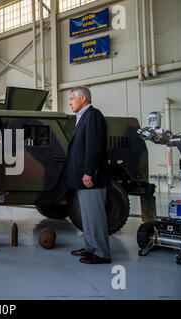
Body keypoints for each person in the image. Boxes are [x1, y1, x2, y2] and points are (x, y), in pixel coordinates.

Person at [67, 86, 111, 264]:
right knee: (87, 216)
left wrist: (89, 172)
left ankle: (101, 253)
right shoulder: (83, 117)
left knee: (95, 216)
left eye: (72, 98)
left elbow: (94, 146)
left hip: (91, 177)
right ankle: (91, 247)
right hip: (83, 177)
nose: (69, 102)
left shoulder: (93, 115)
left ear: (83, 99)